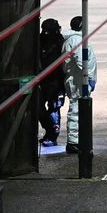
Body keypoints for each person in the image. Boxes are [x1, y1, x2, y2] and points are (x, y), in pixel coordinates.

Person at [62, 16, 98, 154]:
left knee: (77, 109)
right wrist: (88, 77)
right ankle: (73, 141)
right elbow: (81, 60)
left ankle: (76, 139)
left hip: (79, 78)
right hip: (78, 80)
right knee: (76, 110)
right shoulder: (76, 40)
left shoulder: (75, 39)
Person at [38, 18, 66, 147]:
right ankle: (50, 131)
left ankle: (52, 135)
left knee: (54, 109)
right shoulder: (41, 41)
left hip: (56, 81)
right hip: (44, 80)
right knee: (40, 108)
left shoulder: (60, 42)